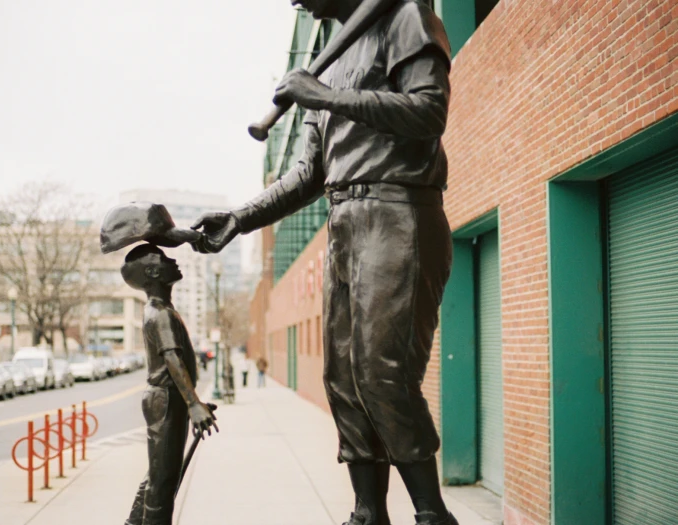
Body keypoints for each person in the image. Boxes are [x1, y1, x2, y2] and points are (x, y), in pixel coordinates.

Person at [191, 1, 455, 524]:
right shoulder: (325, 64)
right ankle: (367, 513)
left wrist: (327, 97)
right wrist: (241, 219)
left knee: (382, 373)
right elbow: (307, 175)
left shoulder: (404, 17)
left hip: (398, 210)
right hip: (342, 222)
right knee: (344, 378)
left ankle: (431, 514)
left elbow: (429, 112)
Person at [121, 244, 218, 525]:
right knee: (163, 483)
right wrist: (192, 403)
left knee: (159, 475)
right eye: (163, 258)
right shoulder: (160, 313)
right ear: (152, 272)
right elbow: (173, 360)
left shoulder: (162, 309)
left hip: (168, 398)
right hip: (165, 399)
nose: (172, 260)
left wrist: (192, 401)